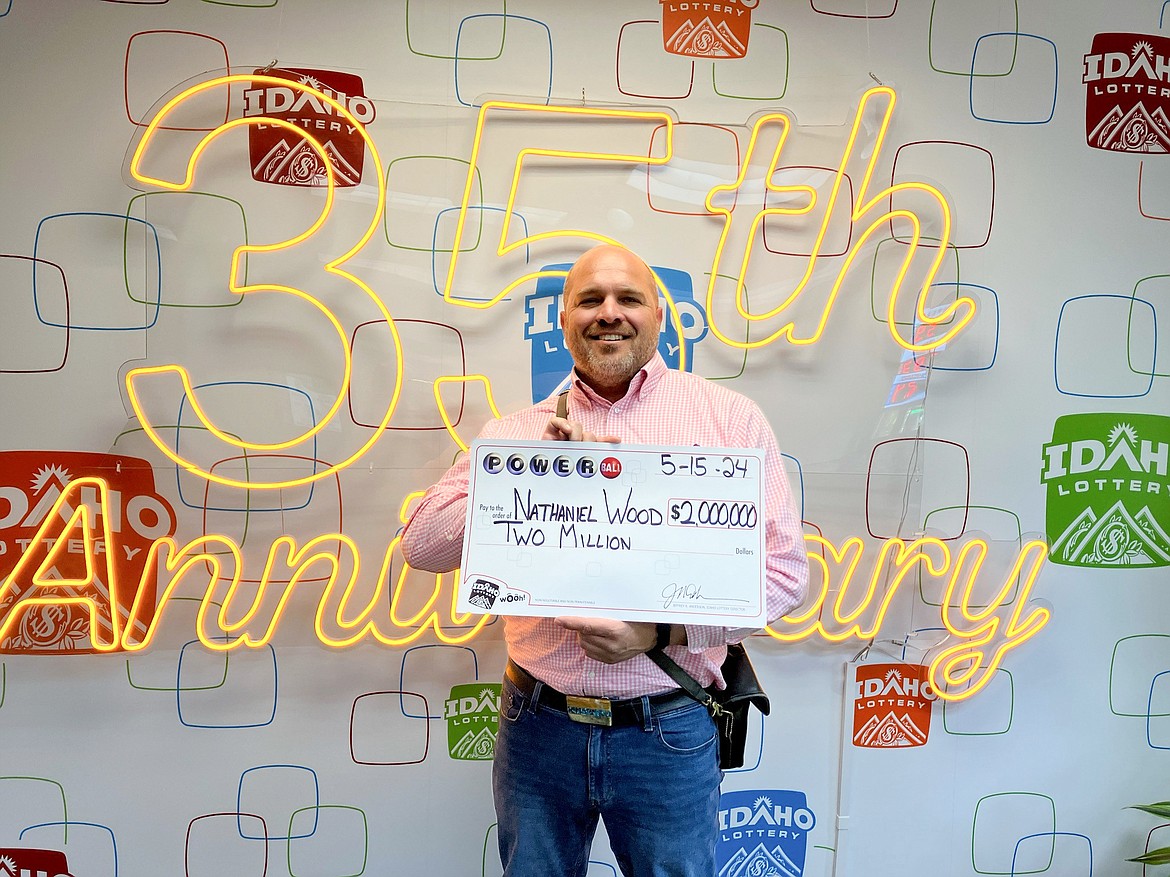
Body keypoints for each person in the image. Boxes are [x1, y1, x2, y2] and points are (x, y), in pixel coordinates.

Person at [401, 244, 809, 877]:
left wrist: (657, 633)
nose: (608, 313)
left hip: (667, 731)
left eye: (628, 298)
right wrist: (530, 471)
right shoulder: (518, 432)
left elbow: (783, 575)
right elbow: (422, 545)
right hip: (538, 727)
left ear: (660, 316)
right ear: (562, 319)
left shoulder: (729, 420)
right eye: (590, 300)